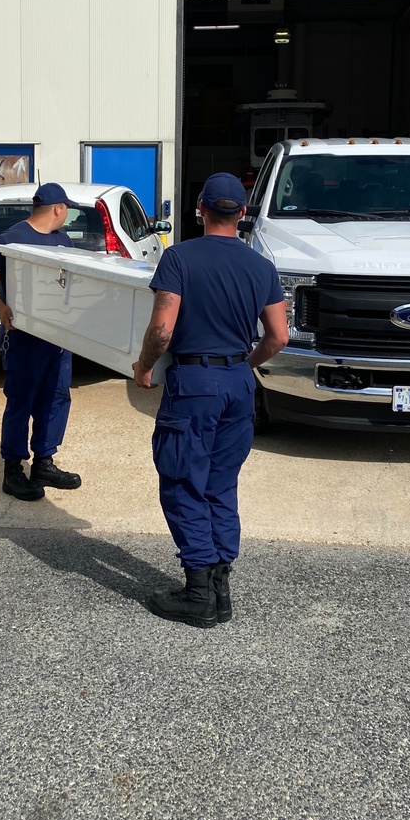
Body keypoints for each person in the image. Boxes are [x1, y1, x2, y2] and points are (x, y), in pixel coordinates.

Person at [132, 172, 288, 628]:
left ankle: (199, 593)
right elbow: (278, 336)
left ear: (199, 208)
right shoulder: (262, 266)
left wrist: (143, 368)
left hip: (194, 384)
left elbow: (162, 328)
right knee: (221, 482)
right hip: (239, 382)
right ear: (241, 214)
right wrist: (246, 362)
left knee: (182, 479)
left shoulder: (179, 258)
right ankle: (220, 587)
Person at [0, 183, 83, 502]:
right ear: (57, 209)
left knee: (57, 397)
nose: (67, 214)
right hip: (25, 337)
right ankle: (13, 470)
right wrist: (1, 307)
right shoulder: (12, 238)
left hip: (58, 336)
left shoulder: (63, 240)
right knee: (22, 400)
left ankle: (44, 463)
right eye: (67, 209)